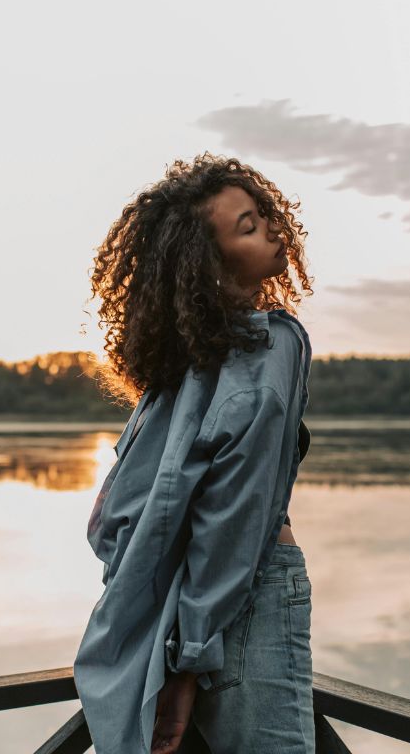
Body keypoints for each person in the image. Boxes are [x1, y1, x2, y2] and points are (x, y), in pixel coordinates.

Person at [74, 152, 315, 753]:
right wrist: (191, 657)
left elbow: (121, 511)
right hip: (244, 593)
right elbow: (235, 511)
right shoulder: (269, 344)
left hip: (177, 604)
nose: (272, 229)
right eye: (248, 226)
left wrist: (176, 645)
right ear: (212, 261)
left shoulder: (181, 367)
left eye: (263, 216)